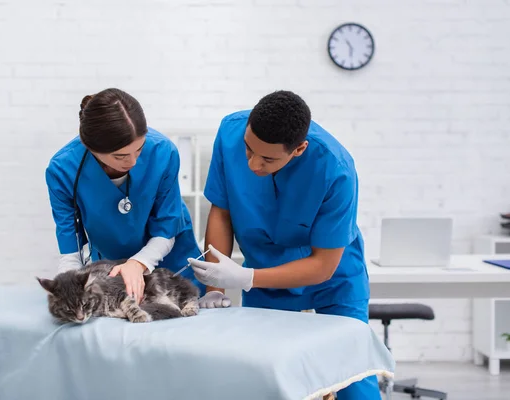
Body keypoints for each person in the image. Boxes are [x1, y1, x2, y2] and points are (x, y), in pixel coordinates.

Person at [188, 90, 380, 399]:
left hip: (334, 278)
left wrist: (246, 278)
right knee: (263, 377)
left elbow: (323, 265)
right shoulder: (229, 134)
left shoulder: (336, 169)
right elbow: (222, 213)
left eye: (267, 159)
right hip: (267, 271)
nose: (253, 164)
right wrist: (215, 288)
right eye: (249, 150)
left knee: (353, 379)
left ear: (299, 149)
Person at [45, 88, 204, 301]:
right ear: (90, 148)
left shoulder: (162, 152)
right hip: (114, 266)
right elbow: (71, 248)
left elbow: (167, 226)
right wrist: (69, 286)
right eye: (120, 156)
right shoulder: (63, 169)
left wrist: (139, 263)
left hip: (171, 263)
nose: (133, 162)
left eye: (139, 149)